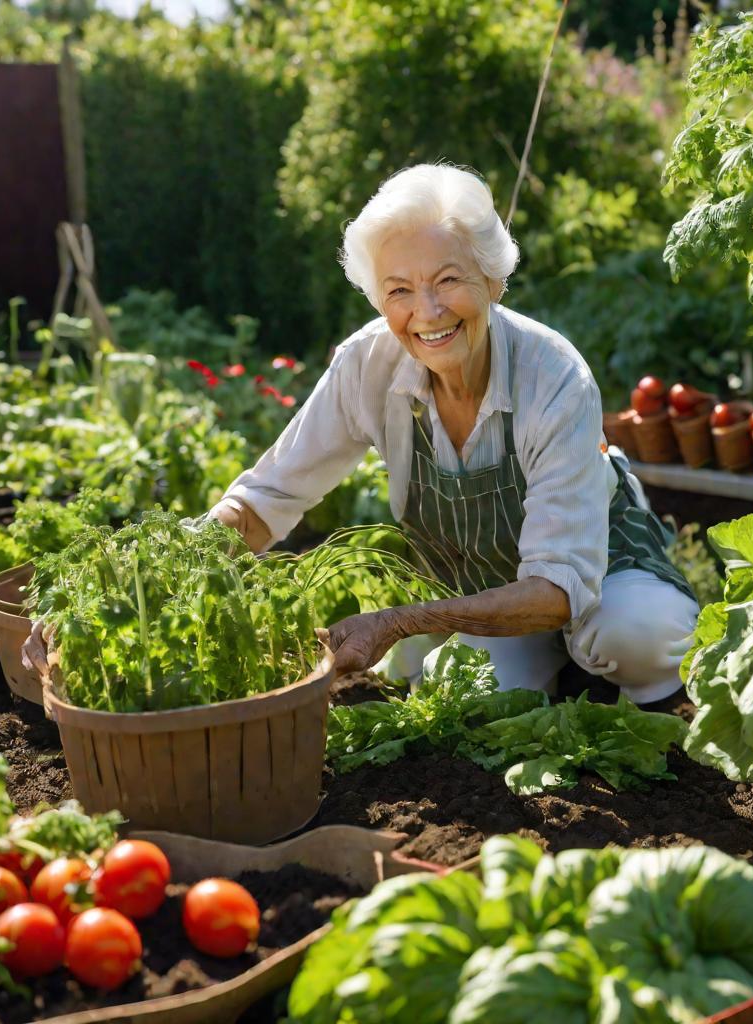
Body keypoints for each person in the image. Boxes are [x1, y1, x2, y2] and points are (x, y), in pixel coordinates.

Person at [211, 163, 699, 705]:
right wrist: (185, 556)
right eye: (399, 289)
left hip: (597, 576)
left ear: (493, 280)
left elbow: (559, 588)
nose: (427, 311)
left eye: (447, 280)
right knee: (464, 700)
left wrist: (399, 622)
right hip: (490, 601)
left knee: (633, 635)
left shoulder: (554, 375)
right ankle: (566, 676)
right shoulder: (367, 365)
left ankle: (653, 700)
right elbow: (267, 497)